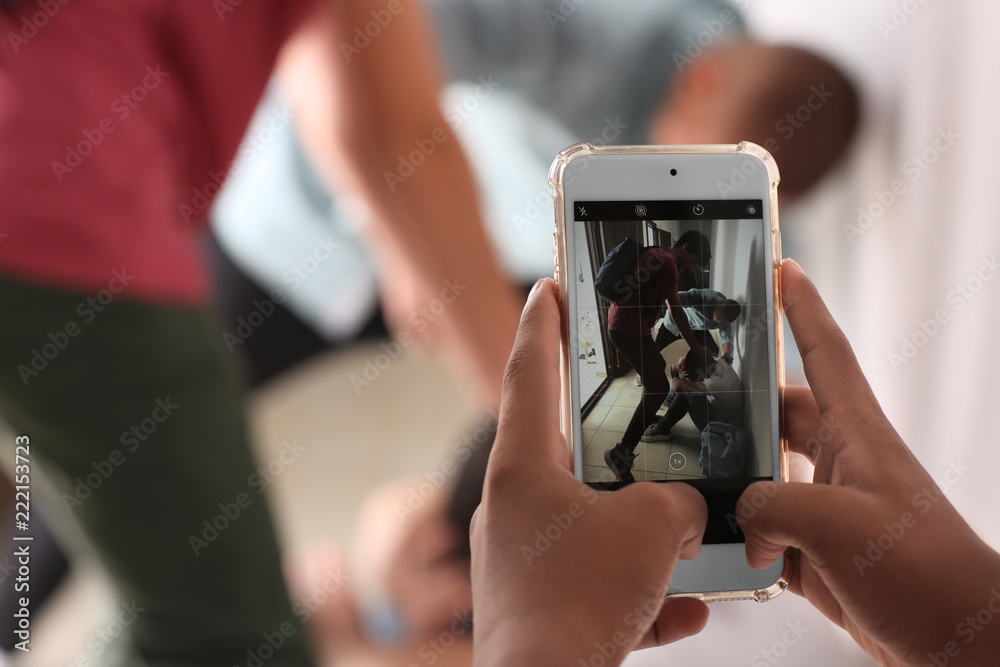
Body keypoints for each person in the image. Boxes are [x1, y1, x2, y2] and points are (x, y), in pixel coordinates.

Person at [0, 1, 523, 664]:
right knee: (239, 640)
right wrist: (539, 444)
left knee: (184, 601)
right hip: (63, 214)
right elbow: (389, 132)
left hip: (58, 193)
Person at [471, 261, 1000, 666]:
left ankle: (645, 433)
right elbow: (681, 325)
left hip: (705, 411)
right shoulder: (690, 308)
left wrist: (530, 640)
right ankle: (648, 430)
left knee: (668, 391)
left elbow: (686, 344)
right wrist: (963, 632)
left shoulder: (699, 334)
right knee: (667, 388)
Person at [604, 231, 712, 483]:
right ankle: (621, 453)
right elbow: (677, 313)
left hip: (625, 324)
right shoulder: (668, 264)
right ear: (685, 248)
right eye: (694, 261)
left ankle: (645, 415)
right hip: (627, 329)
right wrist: (696, 348)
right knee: (658, 386)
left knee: (657, 372)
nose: (691, 267)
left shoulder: (658, 252)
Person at [640, 349, 742, 443]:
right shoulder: (715, 362)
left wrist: (675, 375)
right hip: (719, 410)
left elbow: (677, 387)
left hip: (720, 427)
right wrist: (682, 370)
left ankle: (662, 429)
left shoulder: (720, 382)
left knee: (686, 393)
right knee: (686, 374)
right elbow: (683, 360)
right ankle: (671, 405)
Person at [655, 288, 741, 364]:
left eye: (723, 322)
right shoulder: (703, 298)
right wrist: (683, 328)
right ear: (717, 306)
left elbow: (726, 337)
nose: (719, 323)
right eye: (719, 319)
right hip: (671, 325)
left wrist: (727, 354)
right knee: (654, 352)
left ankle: (691, 375)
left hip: (695, 329)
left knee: (712, 351)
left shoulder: (724, 316)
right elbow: (671, 301)